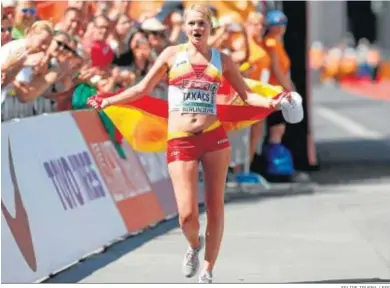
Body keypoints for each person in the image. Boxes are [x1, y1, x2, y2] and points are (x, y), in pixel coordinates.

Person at [87, 4, 299, 283]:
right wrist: (108, 99)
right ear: (185, 28)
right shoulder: (171, 55)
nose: (197, 28)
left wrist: (275, 101)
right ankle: (193, 245)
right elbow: (141, 89)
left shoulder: (222, 59)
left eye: (202, 24)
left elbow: (247, 95)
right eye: (192, 24)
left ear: (210, 28)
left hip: (214, 138)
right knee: (187, 214)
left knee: (215, 207)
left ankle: (208, 269)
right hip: (181, 140)